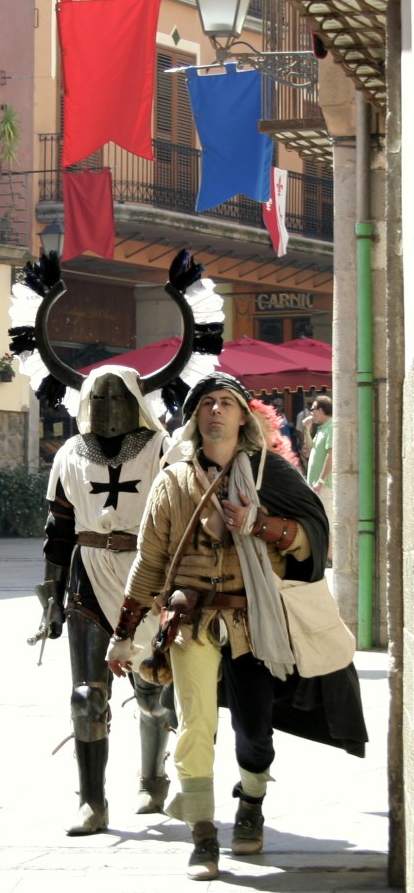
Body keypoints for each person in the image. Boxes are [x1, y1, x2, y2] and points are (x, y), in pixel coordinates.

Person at [108, 373, 364, 880]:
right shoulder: (172, 480)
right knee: (196, 727)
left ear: (243, 416)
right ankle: (203, 834)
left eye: (227, 403)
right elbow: (150, 559)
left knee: (255, 730)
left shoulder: (273, 475)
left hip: (254, 622)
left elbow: (313, 539)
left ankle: (251, 803)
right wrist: (124, 633)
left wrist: (261, 524)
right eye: (207, 403)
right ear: (195, 416)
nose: (217, 411)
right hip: (190, 621)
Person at [40, 366, 174, 836]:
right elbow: (57, 532)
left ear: (135, 400)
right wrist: (50, 599)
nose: (107, 408)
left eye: (116, 397)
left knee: (153, 691)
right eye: (98, 397)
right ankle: (92, 803)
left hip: (147, 575)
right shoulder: (70, 455)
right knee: (85, 696)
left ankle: (153, 778)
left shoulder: (162, 449)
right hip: (89, 575)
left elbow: (178, 517)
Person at [305, 394, 333, 566]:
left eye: (313, 409)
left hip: (324, 486)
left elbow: (332, 455)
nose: (311, 412)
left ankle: (329, 557)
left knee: (327, 520)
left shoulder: (330, 428)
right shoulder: (322, 429)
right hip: (316, 485)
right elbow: (309, 450)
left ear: (322, 410)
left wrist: (321, 480)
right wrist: (307, 430)